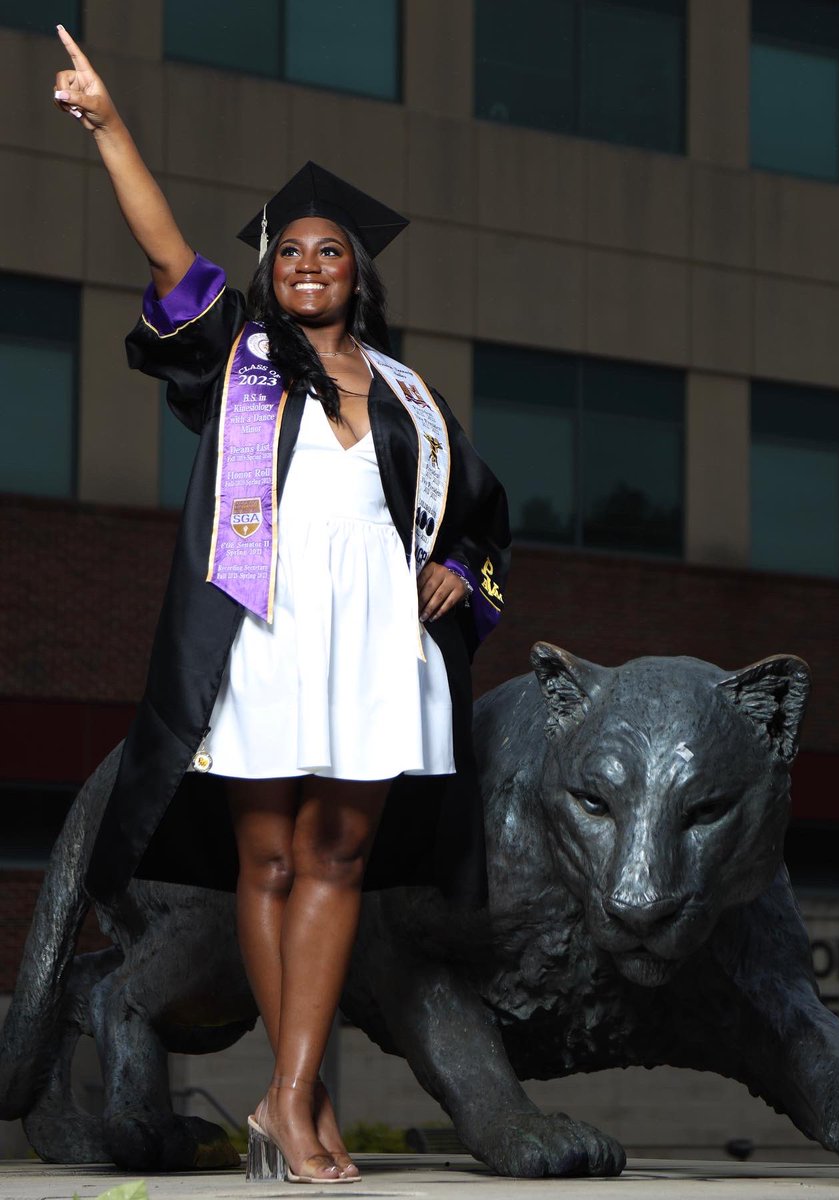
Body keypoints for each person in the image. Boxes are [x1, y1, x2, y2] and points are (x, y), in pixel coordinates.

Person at [52, 26, 510, 1187]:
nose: (310, 263)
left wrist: (465, 570)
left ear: (360, 273)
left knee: (338, 854)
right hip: (265, 632)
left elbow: (482, 520)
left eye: (331, 252)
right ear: (273, 273)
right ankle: (295, 1110)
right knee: (268, 860)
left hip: (374, 644)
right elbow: (166, 257)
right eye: (291, 251)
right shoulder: (242, 361)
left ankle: (285, 1099)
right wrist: (110, 127)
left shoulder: (412, 397)